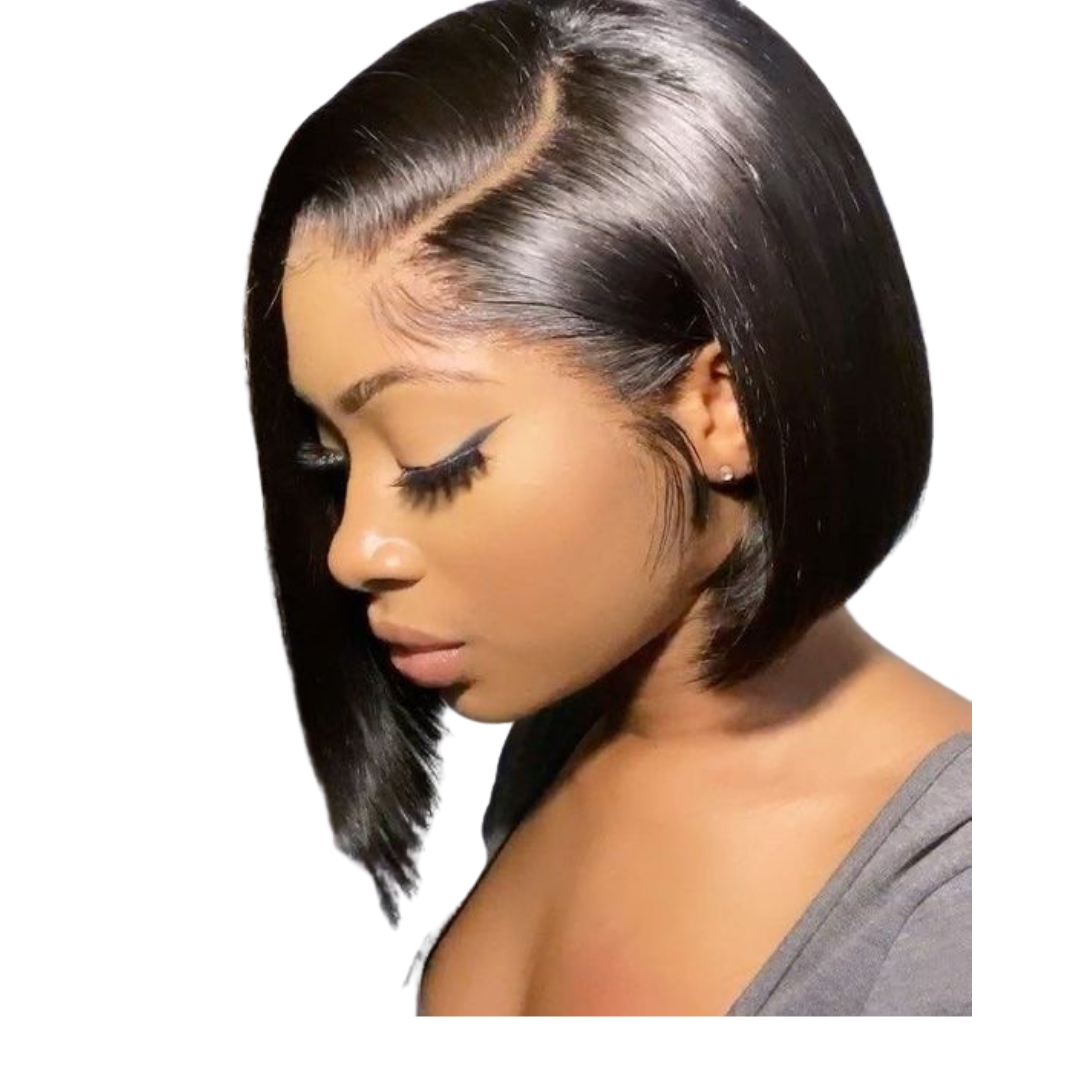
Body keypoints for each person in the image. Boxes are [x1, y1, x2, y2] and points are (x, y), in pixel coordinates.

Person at [243, 0, 972, 1015]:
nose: (351, 550)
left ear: (726, 407)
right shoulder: (563, 737)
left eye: (436, 456)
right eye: (329, 453)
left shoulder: (966, 915)